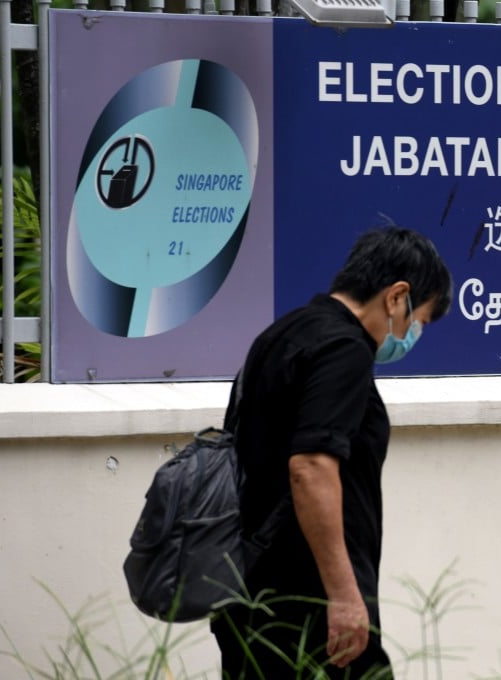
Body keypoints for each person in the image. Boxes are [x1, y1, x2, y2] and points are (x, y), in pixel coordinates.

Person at [211, 227, 453, 679]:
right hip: (308, 606)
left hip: (249, 590)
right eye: (418, 320)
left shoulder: (282, 334)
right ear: (397, 296)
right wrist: (343, 596)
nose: (412, 334)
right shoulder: (345, 350)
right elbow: (311, 465)